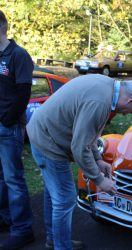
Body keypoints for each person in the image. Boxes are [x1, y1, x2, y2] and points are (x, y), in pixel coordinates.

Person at [27, 74, 132, 250]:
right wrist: (99, 180)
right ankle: (62, 246)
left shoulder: (106, 86)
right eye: (131, 111)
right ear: (130, 100)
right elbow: (79, 147)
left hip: (44, 134)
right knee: (65, 200)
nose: (126, 114)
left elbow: (87, 133)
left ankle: (55, 239)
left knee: (54, 193)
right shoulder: (99, 103)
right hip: (48, 143)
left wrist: (98, 160)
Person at [0, 10, 35, 250]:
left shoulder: (19, 55)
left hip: (8, 127)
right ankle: (6, 218)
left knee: (13, 178)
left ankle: (23, 229)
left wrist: (6, 120)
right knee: (1, 178)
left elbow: (23, 94)